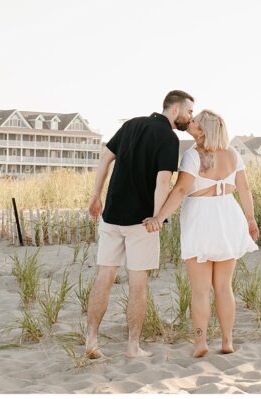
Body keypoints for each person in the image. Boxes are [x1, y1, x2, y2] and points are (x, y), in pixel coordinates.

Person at [84, 90, 195, 359]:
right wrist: (158, 217)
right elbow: (162, 182)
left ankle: (91, 341)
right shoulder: (168, 137)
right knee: (138, 284)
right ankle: (133, 346)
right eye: (189, 112)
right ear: (175, 110)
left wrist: (96, 195)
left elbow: (105, 157)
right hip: (141, 223)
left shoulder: (131, 124)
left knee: (104, 278)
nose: (190, 117)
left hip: (111, 216)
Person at [144, 109, 259, 357]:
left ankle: (200, 343)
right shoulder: (233, 154)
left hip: (201, 219)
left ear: (204, 129)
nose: (191, 122)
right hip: (229, 215)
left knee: (200, 289)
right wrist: (250, 219)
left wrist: (159, 217)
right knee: (224, 286)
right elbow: (245, 189)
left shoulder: (193, 156)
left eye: (195, 121)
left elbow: (180, 190)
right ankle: (227, 341)